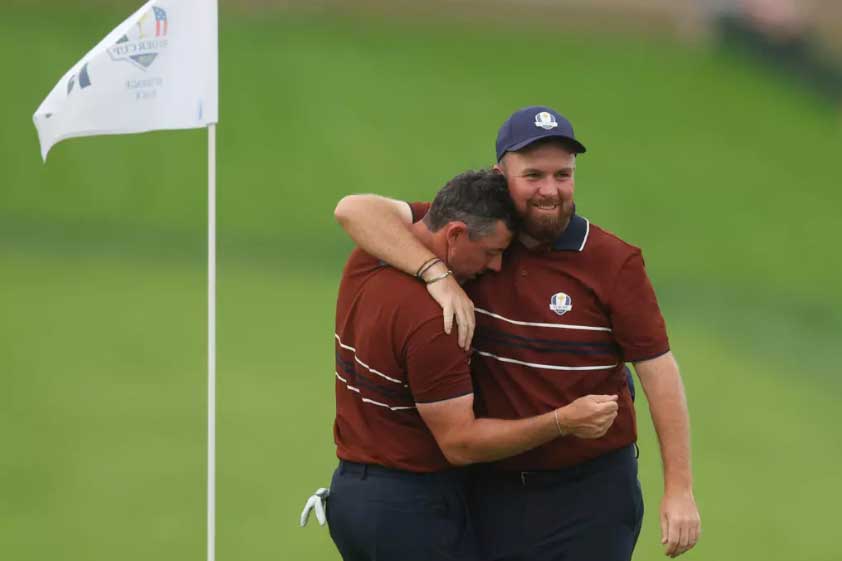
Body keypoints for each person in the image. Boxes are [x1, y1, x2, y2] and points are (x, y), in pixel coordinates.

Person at [333, 106, 702, 559]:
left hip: (589, 495)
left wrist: (679, 489)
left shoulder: (613, 262)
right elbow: (355, 210)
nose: (550, 190)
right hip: (492, 494)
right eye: (533, 175)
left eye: (563, 175)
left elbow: (658, 369)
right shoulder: (476, 234)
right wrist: (436, 273)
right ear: (500, 176)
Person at [323, 169, 622, 561]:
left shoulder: (370, 255)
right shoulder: (438, 322)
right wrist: (561, 421)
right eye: (491, 252)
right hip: (411, 512)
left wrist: (436, 272)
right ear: (455, 235)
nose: (495, 267)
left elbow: (357, 211)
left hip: (351, 496)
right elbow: (460, 443)